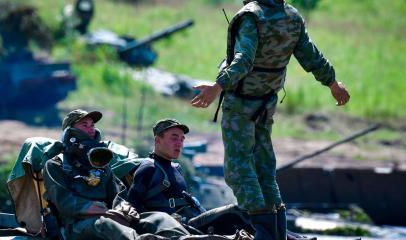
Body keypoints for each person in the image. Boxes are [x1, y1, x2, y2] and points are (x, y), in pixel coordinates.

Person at [190, 1, 350, 240]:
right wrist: (333, 83)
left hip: (241, 104)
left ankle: (264, 233)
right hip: (266, 103)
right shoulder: (292, 15)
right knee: (264, 166)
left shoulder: (251, 17)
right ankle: (277, 231)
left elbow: (244, 60)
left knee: (239, 169)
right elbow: (310, 55)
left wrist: (217, 86)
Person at [43, 109, 189, 240]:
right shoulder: (55, 165)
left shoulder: (101, 164)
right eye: (84, 125)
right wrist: (103, 211)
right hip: (76, 227)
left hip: (111, 217)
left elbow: (117, 195)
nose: (91, 129)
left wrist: (125, 208)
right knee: (106, 224)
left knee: (159, 218)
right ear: (70, 132)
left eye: (92, 125)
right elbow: (65, 203)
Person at [127, 119, 202, 221]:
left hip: (187, 225)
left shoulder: (177, 168)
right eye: (174, 138)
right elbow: (133, 208)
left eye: (182, 139)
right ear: (157, 140)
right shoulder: (148, 168)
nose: (179, 144)